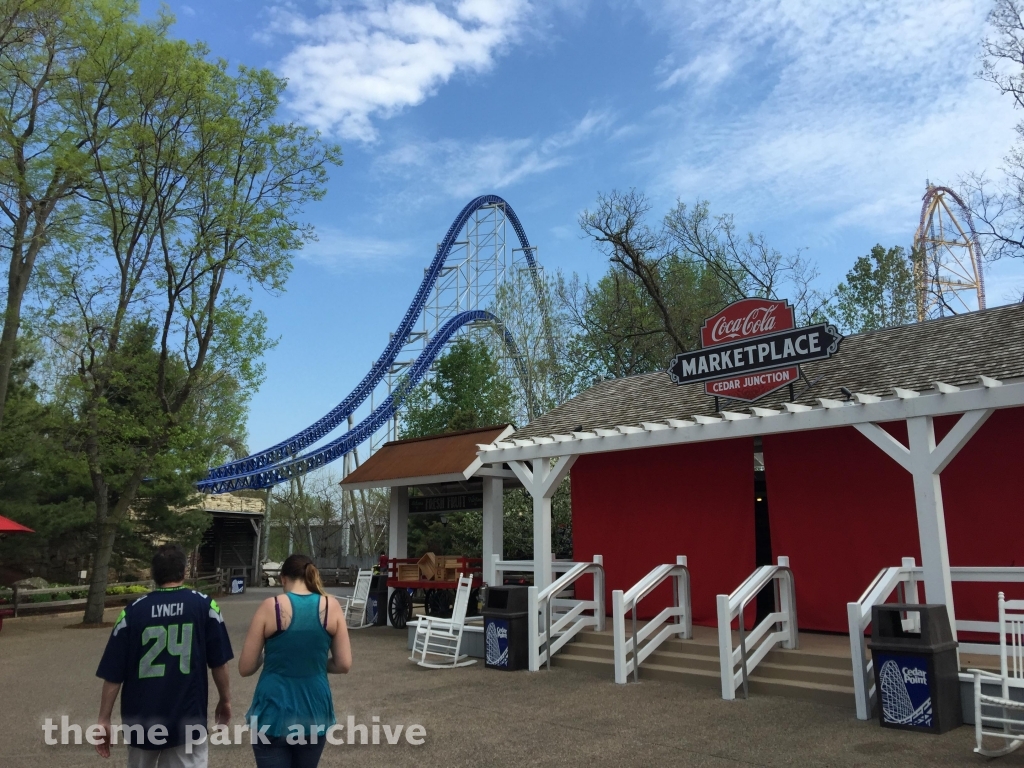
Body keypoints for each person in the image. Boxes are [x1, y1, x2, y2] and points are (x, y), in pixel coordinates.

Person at [95, 544, 233, 767]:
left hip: (141, 718)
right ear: (184, 572)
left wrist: (103, 719)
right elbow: (219, 662)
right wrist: (225, 699)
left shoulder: (132, 612)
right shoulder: (205, 606)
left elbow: (113, 672)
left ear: (153, 574)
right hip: (187, 718)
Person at [239, 553, 352, 767]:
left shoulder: (270, 606)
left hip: (273, 711)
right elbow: (343, 663)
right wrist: (316, 665)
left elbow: (245, 667)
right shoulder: (331, 606)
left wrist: (269, 656)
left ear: (283, 579)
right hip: (314, 709)